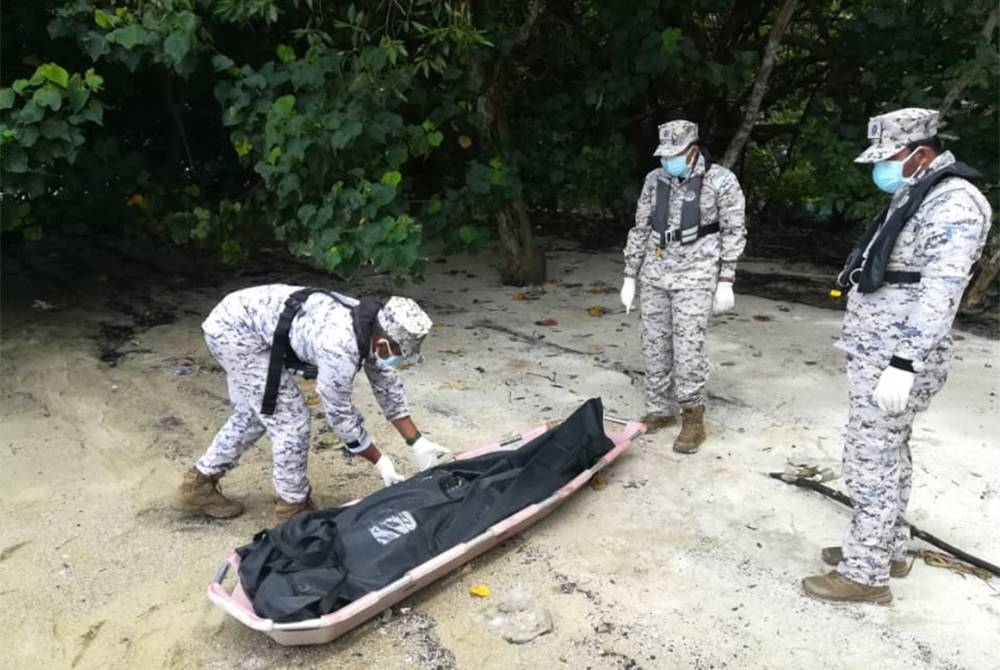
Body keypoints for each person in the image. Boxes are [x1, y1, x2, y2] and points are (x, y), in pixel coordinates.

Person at [802, 108, 993, 603]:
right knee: (892, 452)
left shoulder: (954, 204)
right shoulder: (919, 191)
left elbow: (941, 293)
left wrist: (905, 363)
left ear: (921, 154)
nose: (878, 171)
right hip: (880, 350)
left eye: (887, 159)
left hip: (898, 358)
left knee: (869, 458)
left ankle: (865, 575)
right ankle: (887, 547)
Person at [170, 285, 453, 524]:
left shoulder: (374, 324)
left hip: (254, 322)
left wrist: (417, 442)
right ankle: (292, 508)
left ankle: (197, 485)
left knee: (254, 414)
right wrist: (381, 462)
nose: (401, 359)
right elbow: (340, 415)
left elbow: (387, 385)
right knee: (290, 421)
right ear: (383, 341)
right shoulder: (338, 347)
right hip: (236, 332)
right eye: (401, 353)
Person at [620, 120, 747, 453]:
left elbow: (734, 230)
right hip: (656, 270)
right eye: (663, 155)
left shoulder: (721, 181)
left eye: (674, 154)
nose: (667, 161)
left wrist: (726, 279)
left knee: (688, 347)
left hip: (697, 271)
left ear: (692, 149)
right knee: (654, 342)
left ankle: (693, 416)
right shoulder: (655, 180)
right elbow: (641, 227)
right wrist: (630, 275)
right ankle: (659, 409)